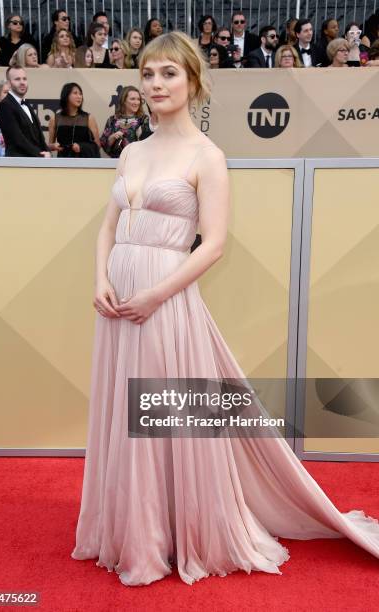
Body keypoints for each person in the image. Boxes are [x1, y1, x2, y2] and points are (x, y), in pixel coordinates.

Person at [71, 30, 379, 588]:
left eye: (169, 74)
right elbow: (108, 227)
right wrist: (100, 279)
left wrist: (155, 295)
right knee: (128, 413)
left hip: (163, 303)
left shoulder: (206, 156)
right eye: (148, 74)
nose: (157, 84)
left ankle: (168, 535)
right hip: (118, 307)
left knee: (162, 419)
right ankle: (137, 529)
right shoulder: (132, 150)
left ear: (192, 81)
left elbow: (212, 243)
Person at [0, 65, 50, 157]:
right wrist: (40, 154)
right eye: (17, 79)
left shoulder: (26, 104)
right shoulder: (5, 105)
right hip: (18, 163)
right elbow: (17, 138)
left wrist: (47, 153)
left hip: (36, 162)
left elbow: (39, 137)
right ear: (9, 83)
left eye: (24, 79)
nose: (22, 82)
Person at [48, 82, 100, 158]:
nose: (79, 97)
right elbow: (49, 145)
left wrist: (81, 147)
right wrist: (53, 146)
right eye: (75, 93)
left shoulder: (89, 118)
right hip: (63, 163)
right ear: (66, 96)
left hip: (84, 163)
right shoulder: (55, 118)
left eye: (80, 94)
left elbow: (97, 145)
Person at [100, 85, 151, 157]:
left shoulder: (144, 119)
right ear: (124, 101)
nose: (136, 102)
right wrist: (112, 138)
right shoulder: (112, 120)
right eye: (132, 99)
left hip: (137, 161)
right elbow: (103, 144)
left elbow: (149, 144)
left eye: (138, 99)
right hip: (116, 163)